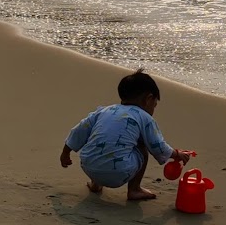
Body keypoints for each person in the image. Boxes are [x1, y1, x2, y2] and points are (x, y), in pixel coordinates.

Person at [59, 69, 195, 202]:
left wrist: (66, 153)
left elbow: (79, 130)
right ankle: (134, 189)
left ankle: (95, 184)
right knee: (141, 146)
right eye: (155, 104)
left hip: (88, 166)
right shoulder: (144, 118)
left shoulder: (104, 111)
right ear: (148, 99)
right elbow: (157, 145)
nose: (153, 108)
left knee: (101, 138)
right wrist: (176, 154)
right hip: (117, 172)